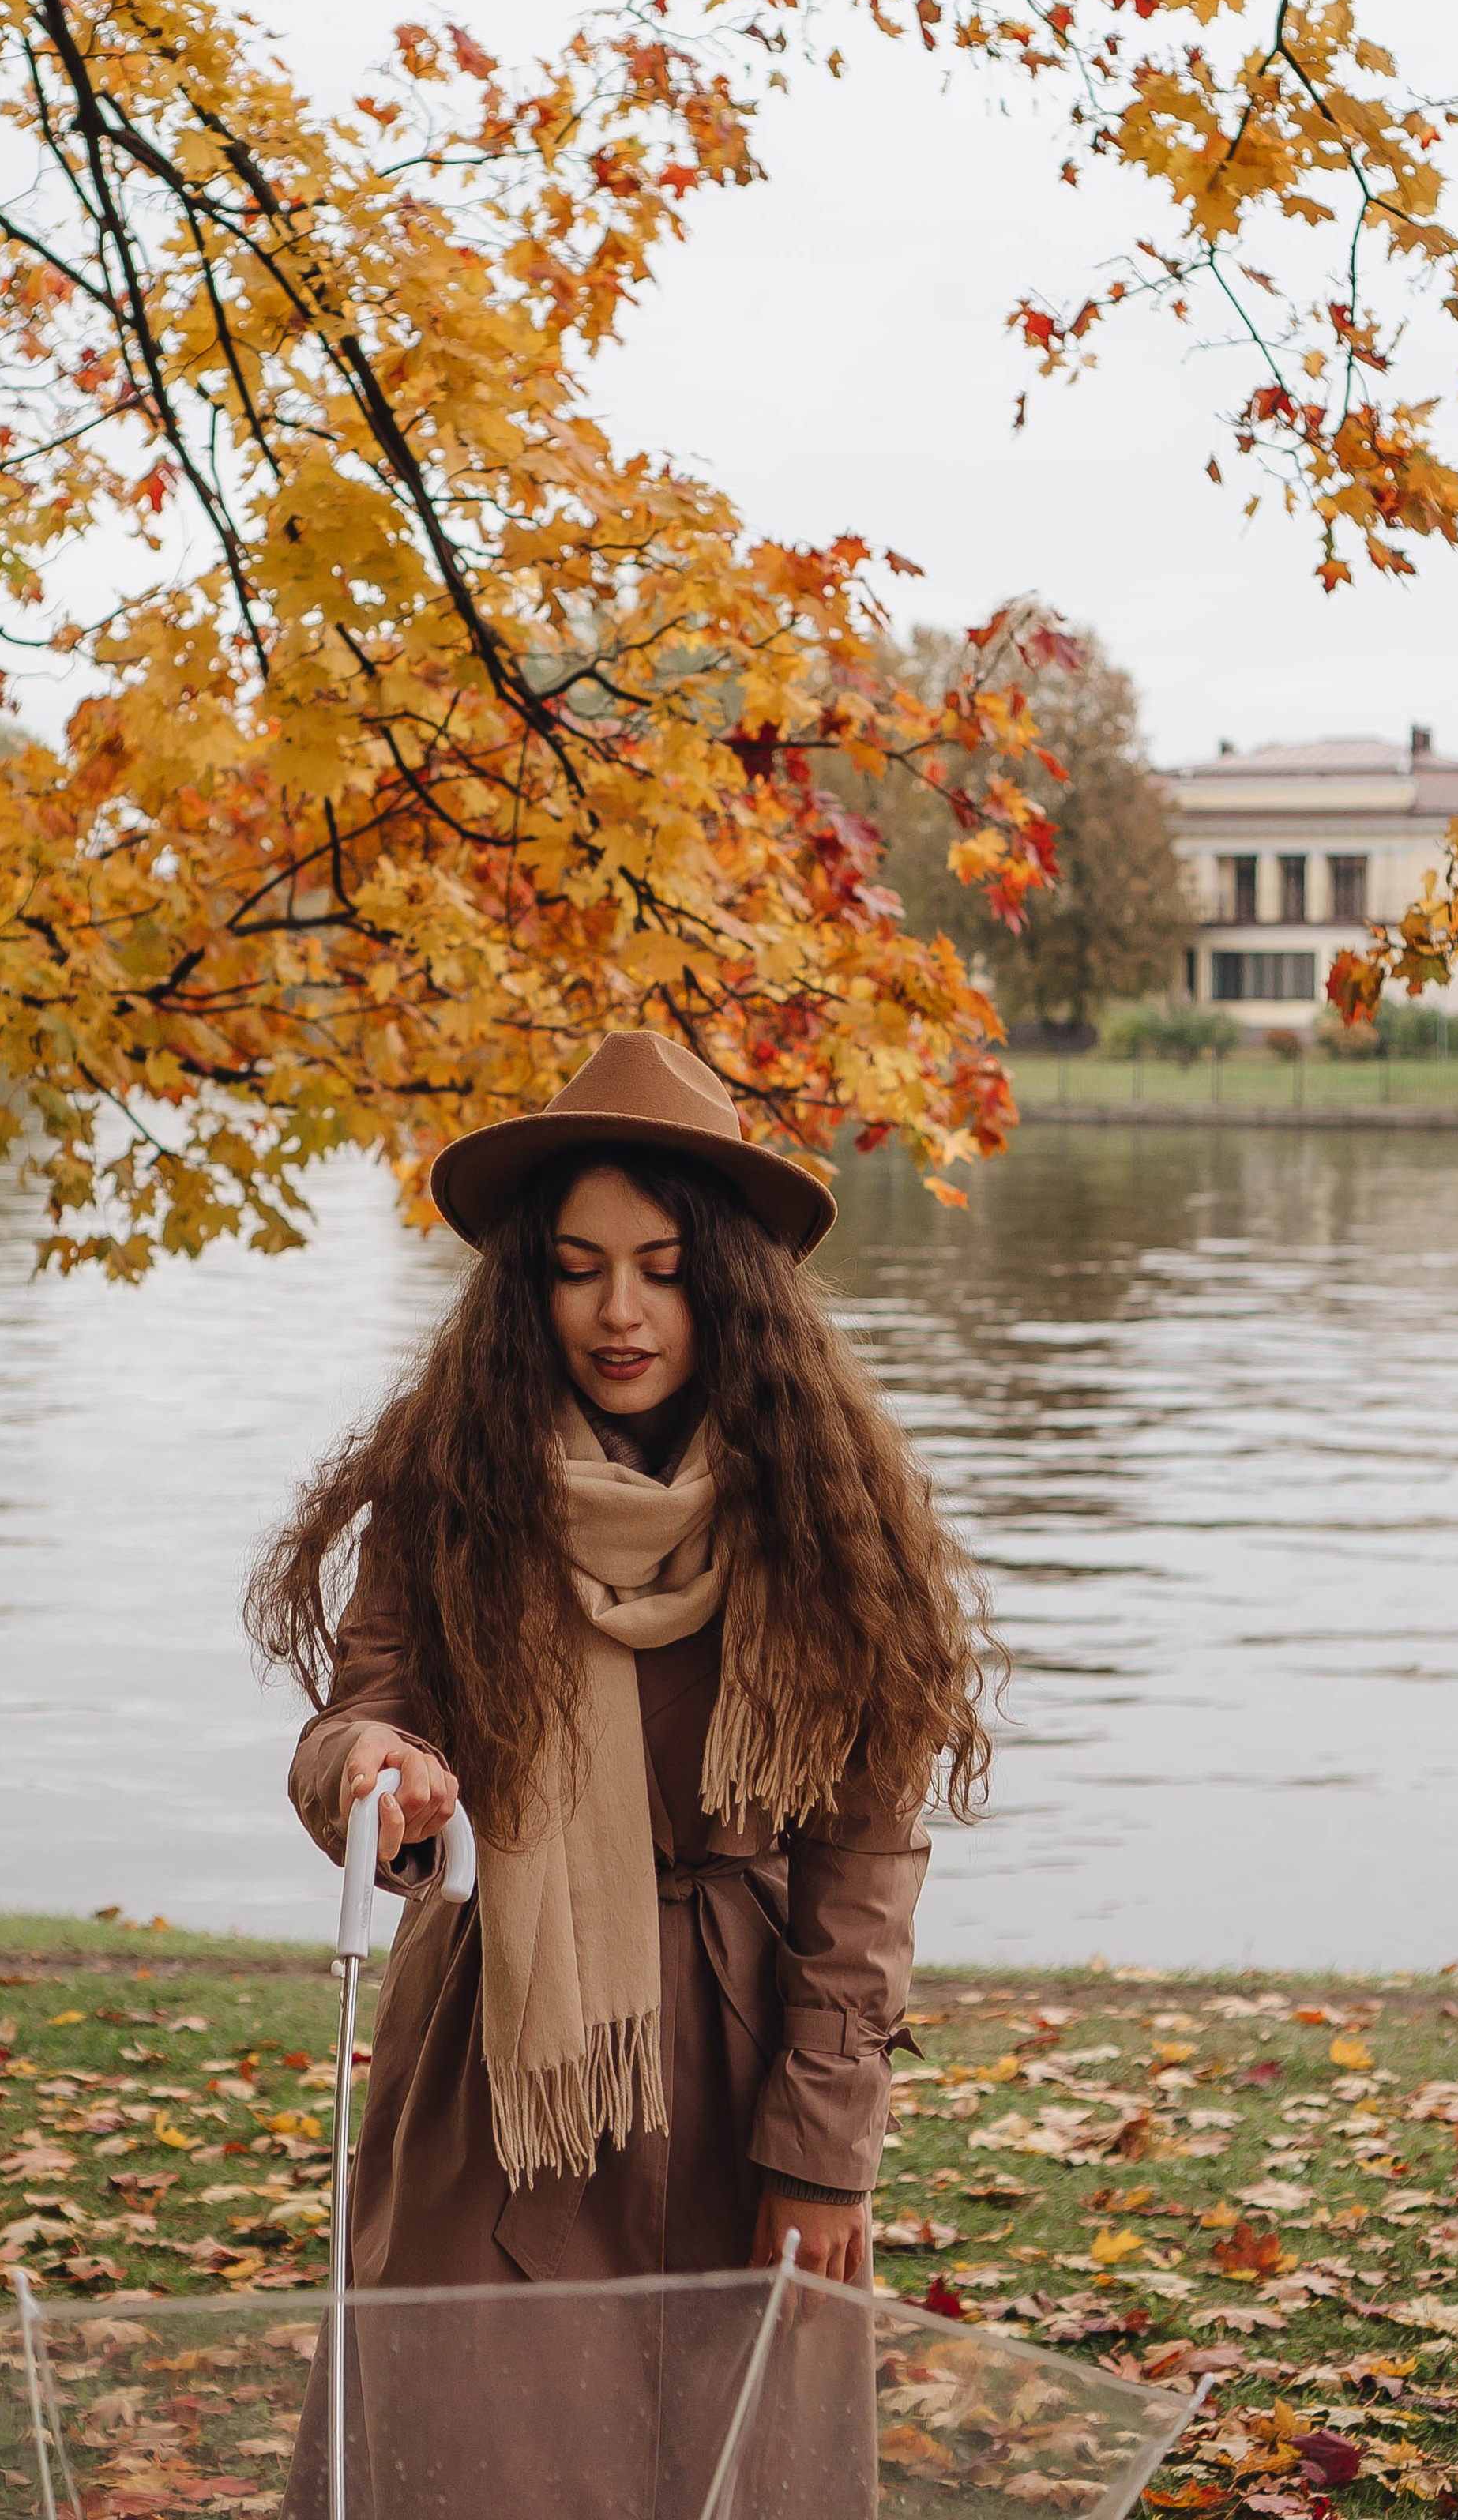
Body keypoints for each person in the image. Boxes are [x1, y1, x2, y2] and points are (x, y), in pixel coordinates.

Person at [248, 1030, 991, 2515]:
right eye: (578, 1266)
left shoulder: (824, 1504)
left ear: (725, 1279)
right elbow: (361, 1709)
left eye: (659, 1265)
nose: (620, 1311)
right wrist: (373, 1774)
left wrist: (826, 2148)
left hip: (741, 2054)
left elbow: (862, 1862)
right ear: (529, 1283)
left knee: (725, 2456)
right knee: (471, 2454)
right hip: (499, 2057)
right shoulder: (453, 1476)